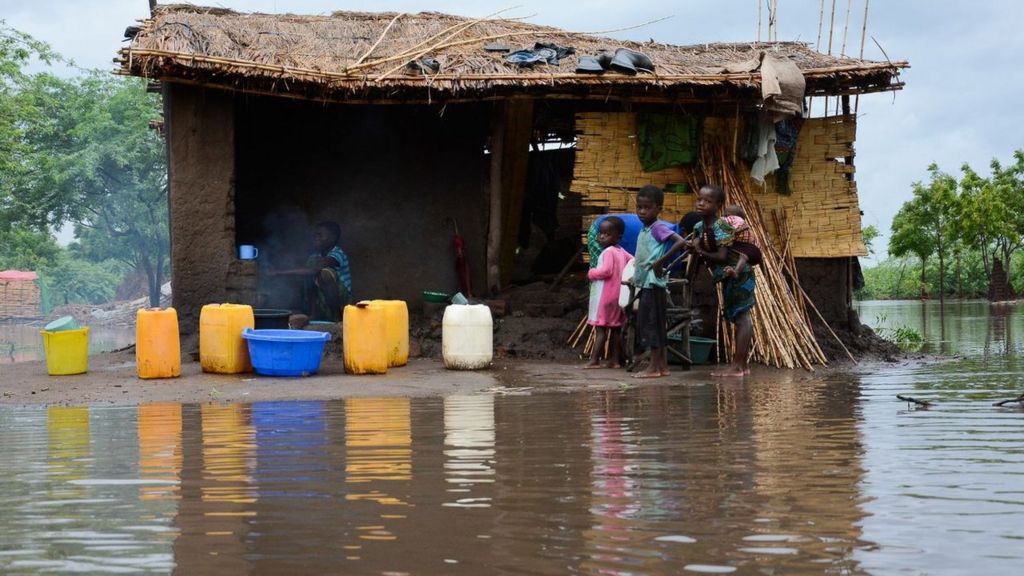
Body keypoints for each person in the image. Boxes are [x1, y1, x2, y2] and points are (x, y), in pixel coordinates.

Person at [686, 186, 755, 377]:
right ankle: (742, 366)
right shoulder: (700, 227)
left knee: (742, 317)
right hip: (725, 276)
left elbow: (722, 256)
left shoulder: (721, 226)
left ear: (718, 206)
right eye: (699, 199)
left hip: (737, 273)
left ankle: (738, 366)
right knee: (737, 317)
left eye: (707, 201)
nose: (701, 203)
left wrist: (699, 250)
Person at [632, 185, 687, 378]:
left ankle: (653, 368)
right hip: (646, 282)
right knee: (653, 324)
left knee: (651, 325)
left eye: (647, 208)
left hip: (653, 283)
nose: (642, 211)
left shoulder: (657, 228)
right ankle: (662, 366)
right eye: (639, 207)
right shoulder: (646, 229)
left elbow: (681, 242)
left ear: (658, 209)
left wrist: (660, 262)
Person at [269, 221, 353, 322]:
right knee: (307, 274)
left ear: (333, 238)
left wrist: (278, 273)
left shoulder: (338, 253)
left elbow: (314, 270)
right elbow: (309, 274)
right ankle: (314, 313)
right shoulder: (315, 256)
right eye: (315, 235)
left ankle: (337, 317)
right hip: (321, 303)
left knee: (324, 274)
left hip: (341, 302)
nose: (316, 238)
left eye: (320, 235)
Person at [584, 216, 633, 369]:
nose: (602, 236)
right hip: (618, 297)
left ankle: (594, 360)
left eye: (607, 234)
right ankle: (616, 360)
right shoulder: (622, 252)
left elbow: (606, 271)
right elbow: (634, 261)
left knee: (600, 329)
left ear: (618, 236)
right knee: (616, 329)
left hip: (605, 298)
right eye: (601, 233)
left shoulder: (607, 252)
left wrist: (591, 273)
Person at [721, 204, 762, 279]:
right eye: (724, 214)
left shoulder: (739, 223)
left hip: (751, 250)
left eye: (727, 215)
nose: (725, 217)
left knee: (743, 256)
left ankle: (736, 272)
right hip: (741, 246)